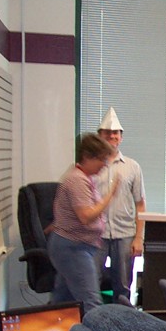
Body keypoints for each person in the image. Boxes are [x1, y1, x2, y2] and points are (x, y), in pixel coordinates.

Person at [48, 133, 119, 313]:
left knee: (63, 301)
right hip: (74, 248)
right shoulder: (77, 180)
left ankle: (54, 329)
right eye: (101, 159)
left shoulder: (83, 178)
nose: (104, 165)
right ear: (87, 157)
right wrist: (109, 196)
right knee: (91, 303)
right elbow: (86, 216)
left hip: (75, 246)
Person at [93, 107, 146, 303]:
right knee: (91, 284)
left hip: (124, 234)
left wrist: (139, 238)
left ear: (121, 137)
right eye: (107, 132)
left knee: (123, 287)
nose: (111, 136)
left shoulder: (132, 167)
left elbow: (140, 205)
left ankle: (122, 320)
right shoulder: (92, 166)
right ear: (99, 136)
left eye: (115, 133)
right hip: (96, 234)